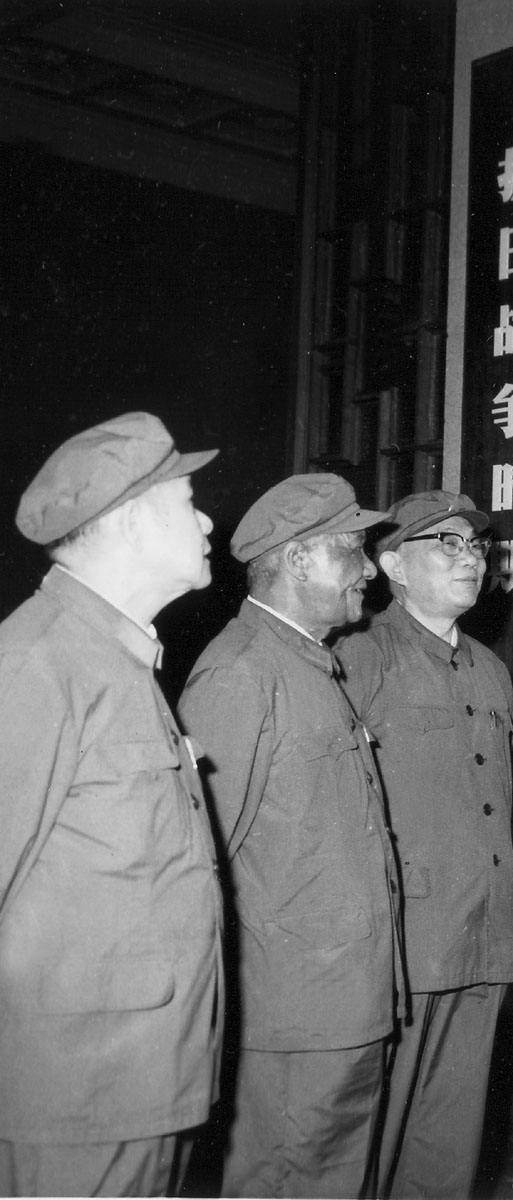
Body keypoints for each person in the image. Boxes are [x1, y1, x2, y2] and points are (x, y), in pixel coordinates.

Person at [0, 412, 224, 1196]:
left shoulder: (117, 659)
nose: (206, 522)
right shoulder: (36, 662)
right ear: (129, 520)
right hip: (72, 1098)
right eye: (188, 502)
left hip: (141, 1077)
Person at [178, 472, 402, 1199]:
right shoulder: (241, 671)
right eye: (353, 550)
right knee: (288, 1178)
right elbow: (201, 861)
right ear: (300, 559)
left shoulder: (305, 662)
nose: (370, 569)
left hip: (343, 995)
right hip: (293, 1007)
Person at [335, 489, 513, 1200]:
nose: (469, 557)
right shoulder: (359, 656)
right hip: (406, 936)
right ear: (392, 565)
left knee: (450, 1138)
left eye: (475, 545)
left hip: (484, 925)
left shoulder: (490, 669)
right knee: (376, 1134)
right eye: (446, 543)